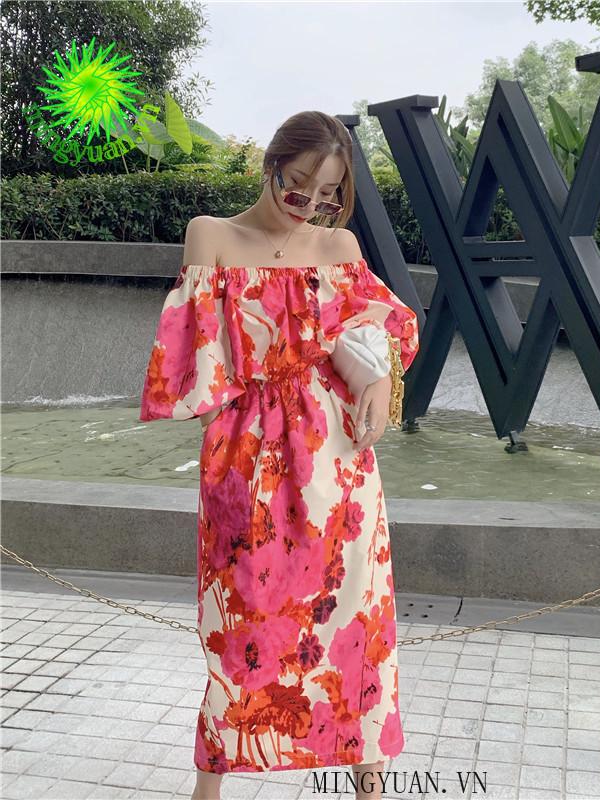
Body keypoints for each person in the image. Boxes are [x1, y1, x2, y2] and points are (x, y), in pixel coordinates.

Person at [139, 110, 420, 800]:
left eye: (327, 194)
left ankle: (369, 783)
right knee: (240, 625)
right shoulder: (211, 235)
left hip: (339, 459)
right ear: (270, 165)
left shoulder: (338, 245)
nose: (309, 205)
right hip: (247, 453)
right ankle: (210, 787)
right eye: (298, 186)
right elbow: (193, 353)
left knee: (357, 616)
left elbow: (384, 326)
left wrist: (378, 379)